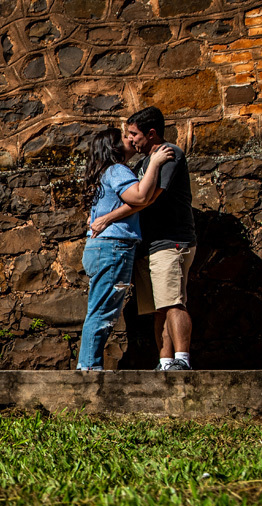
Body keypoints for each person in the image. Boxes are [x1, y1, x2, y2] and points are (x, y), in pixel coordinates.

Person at [92, 106, 197, 371]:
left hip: (170, 240)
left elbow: (146, 200)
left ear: (150, 134)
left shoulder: (169, 154)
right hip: (149, 245)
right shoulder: (143, 163)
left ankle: (182, 361)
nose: (130, 139)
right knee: (158, 307)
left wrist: (108, 218)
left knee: (173, 301)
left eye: (134, 134)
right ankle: (165, 362)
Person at [77, 127, 172, 371]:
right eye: (124, 137)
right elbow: (139, 197)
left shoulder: (103, 173)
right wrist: (156, 163)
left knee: (99, 309)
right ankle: (88, 370)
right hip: (113, 247)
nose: (130, 138)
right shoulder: (117, 170)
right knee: (102, 313)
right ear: (114, 147)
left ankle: (88, 367)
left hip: (102, 248)